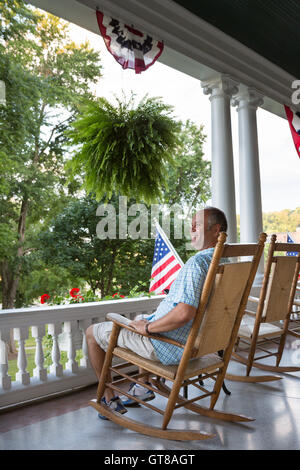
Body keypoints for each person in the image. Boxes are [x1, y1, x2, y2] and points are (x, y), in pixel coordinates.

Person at [86, 206, 228, 418]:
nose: (191, 231)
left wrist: (149, 328)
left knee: (91, 332)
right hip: (200, 344)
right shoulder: (224, 262)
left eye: (196, 226)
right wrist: (146, 322)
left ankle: (107, 397)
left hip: (169, 347)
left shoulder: (198, 263)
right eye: (191, 227)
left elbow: (184, 313)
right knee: (140, 318)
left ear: (216, 230)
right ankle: (142, 385)